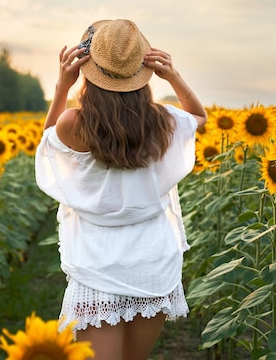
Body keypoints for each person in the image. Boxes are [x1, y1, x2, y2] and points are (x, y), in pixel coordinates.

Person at [35, 19, 208, 360]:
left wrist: (61, 85)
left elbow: (49, 143)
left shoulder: (75, 123)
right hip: (152, 261)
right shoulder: (165, 122)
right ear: (142, 69)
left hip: (97, 262)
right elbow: (198, 117)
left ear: (87, 67)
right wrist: (172, 75)